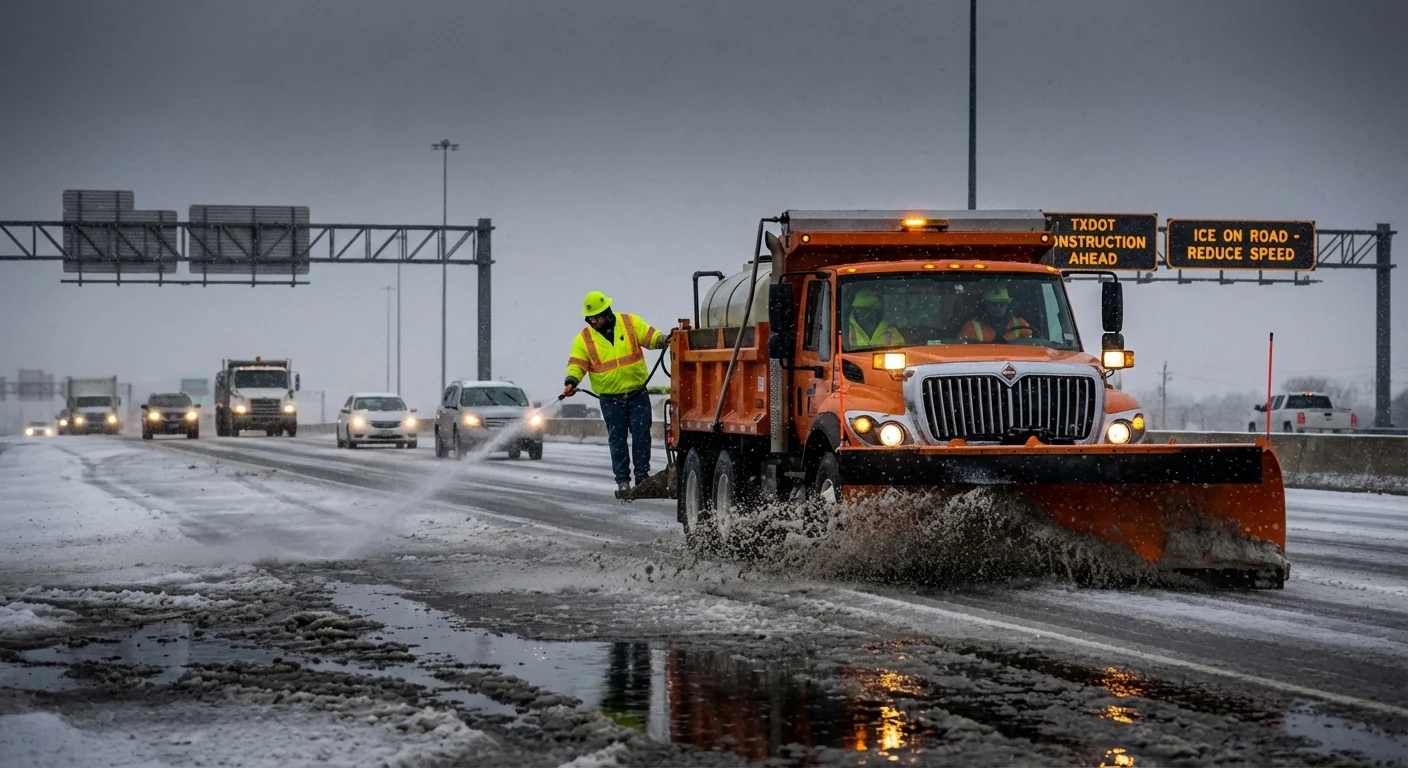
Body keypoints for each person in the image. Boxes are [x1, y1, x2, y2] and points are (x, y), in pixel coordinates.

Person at [563, 290, 670, 492]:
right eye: (591, 318)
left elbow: (651, 338)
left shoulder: (630, 323)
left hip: (637, 393)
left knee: (641, 434)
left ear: (607, 312)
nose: (594, 321)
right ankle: (622, 480)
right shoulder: (584, 339)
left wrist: (665, 339)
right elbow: (577, 363)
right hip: (610, 399)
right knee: (617, 438)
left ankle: (642, 476)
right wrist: (572, 380)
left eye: (597, 317)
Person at [958, 286, 1034, 342]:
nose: (998, 308)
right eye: (994, 304)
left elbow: (1033, 347)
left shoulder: (1020, 324)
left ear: (1007, 305)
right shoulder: (971, 327)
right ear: (986, 305)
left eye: (1002, 304)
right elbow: (960, 350)